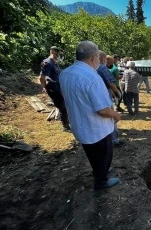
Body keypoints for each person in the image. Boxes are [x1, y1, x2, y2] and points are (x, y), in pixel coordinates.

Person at [60, 41, 121, 190]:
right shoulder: (92, 77)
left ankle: (101, 171)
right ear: (94, 58)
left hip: (80, 125)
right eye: (99, 59)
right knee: (104, 154)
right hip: (96, 129)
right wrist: (116, 115)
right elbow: (103, 110)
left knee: (93, 156)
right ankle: (101, 181)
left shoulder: (65, 73)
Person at [39, 46, 70, 132]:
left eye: (58, 52)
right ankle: (65, 126)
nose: (57, 54)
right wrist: (44, 87)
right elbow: (42, 77)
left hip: (58, 87)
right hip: (53, 87)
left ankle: (66, 123)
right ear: (52, 52)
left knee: (64, 105)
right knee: (62, 106)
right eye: (56, 52)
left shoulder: (54, 63)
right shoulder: (47, 62)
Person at [97, 51, 123, 147]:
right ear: (103, 59)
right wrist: (117, 92)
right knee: (110, 116)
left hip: (95, 96)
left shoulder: (90, 68)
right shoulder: (102, 68)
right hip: (104, 95)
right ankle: (115, 140)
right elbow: (111, 83)